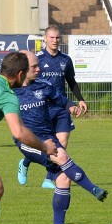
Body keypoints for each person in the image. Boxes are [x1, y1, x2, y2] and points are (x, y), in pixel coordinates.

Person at [13, 50, 107, 224]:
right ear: (22, 69)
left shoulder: (43, 85)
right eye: (34, 66)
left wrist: (71, 106)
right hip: (26, 141)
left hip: (48, 136)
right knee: (62, 155)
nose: (39, 69)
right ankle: (93, 189)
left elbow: (61, 99)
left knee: (63, 179)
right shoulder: (9, 92)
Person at [17, 25, 88, 189]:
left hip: (61, 107)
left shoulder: (66, 60)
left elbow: (71, 81)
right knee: (40, 142)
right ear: (45, 39)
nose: (55, 40)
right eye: (52, 37)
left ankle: (49, 178)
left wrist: (80, 99)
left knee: (62, 142)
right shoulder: (38, 59)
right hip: (41, 108)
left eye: (57, 37)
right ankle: (26, 161)